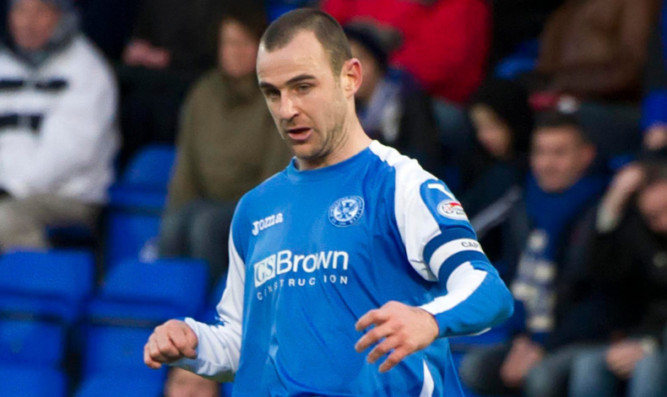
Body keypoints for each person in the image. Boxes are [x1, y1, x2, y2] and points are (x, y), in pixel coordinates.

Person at [144, 9, 513, 396]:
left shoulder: (401, 184)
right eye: (272, 92)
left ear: (350, 77)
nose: (287, 109)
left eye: (303, 87)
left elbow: (489, 292)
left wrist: (427, 319)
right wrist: (194, 343)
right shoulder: (254, 209)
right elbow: (244, 342)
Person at [460, 111, 610, 397]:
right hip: (530, 336)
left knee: (541, 379)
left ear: (586, 155)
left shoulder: (602, 211)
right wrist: (521, 341)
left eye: (559, 153)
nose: (546, 164)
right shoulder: (523, 204)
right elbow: (518, 282)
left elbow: (602, 303)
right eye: (540, 152)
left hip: (583, 338)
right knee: (475, 368)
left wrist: (543, 347)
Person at [158, 6, 292, 285]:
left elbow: (276, 174)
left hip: (251, 206)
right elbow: (186, 167)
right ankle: (172, 307)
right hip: (206, 202)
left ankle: (219, 308)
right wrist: (177, 208)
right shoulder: (202, 93)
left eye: (244, 43)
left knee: (204, 226)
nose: (235, 51)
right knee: (173, 225)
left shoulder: (275, 98)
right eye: (229, 43)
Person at [0, 0, 118, 249]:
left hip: (68, 198)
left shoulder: (86, 69)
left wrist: (10, 187)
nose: (27, 22)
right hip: (6, 190)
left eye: (39, 12)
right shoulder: (4, 62)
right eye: (20, 10)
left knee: (4, 220)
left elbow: (66, 154)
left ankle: (37, 282)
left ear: (62, 16)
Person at [568, 161, 667, 397]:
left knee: (648, 367)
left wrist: (650, 345)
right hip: (639, 334)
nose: (664, 223)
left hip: (657, 343)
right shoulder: (645, 239)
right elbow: (592, 271)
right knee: (588, 366)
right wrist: (613, 202)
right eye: (654, 217)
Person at [344, 22, 445, 179]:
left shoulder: (408, 96)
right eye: (343, 66)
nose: (351, 73)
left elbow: (424, 159)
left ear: (377, 61)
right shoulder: (346, 109)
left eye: (360, 61)